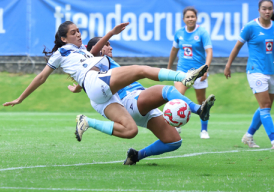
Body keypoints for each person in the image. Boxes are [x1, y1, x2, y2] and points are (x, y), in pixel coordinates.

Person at [3, 21, 208, 149]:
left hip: (100, 95)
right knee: (140, 69)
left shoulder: (80, 50)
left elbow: (91, 54)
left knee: (130, 131)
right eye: (73, 32)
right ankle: (184, 77)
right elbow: (41, 78)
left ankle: (87, 122)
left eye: (79, 31)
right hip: (95, 83)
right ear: (64, 38)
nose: (79, 34)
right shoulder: (61, 53)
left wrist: (109, 34)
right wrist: (20, 98)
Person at [69, 36, 215, 165]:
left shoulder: (104, 65)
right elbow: (91, 56)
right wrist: (111, 33)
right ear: (99, 48)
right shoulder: (97, 60)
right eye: (106, 44)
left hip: (138, 105)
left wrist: (79, 87)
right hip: (129, 101)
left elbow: (86, 81)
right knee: (167, 90)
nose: (110, 46)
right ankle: (198, 109)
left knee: (173, 141)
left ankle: (136, 156)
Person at [224, 0, 274, 149]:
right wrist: (228, 65)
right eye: (264, 9)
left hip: (271, 71)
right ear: (259, 10)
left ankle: (248, 136)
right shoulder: (250, 27)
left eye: (270, 9)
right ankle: (273, 140)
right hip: (255, 71)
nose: (267, 11)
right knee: (265, 106)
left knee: (266, 106)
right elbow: (237, 47)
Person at [167, 7, 213, 139]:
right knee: (177, 97)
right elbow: (174, 50)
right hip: (182, 71)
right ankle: (177, 124)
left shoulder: (202, 32)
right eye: (188, 17)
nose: (190, 19)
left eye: (192, 16)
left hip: (199, 72)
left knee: (201, 101)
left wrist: (206, 68)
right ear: (183, 19)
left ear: (196, 18)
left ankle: (204, 130)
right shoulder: (179, 33)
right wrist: (169, 67)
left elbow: (209, 51)